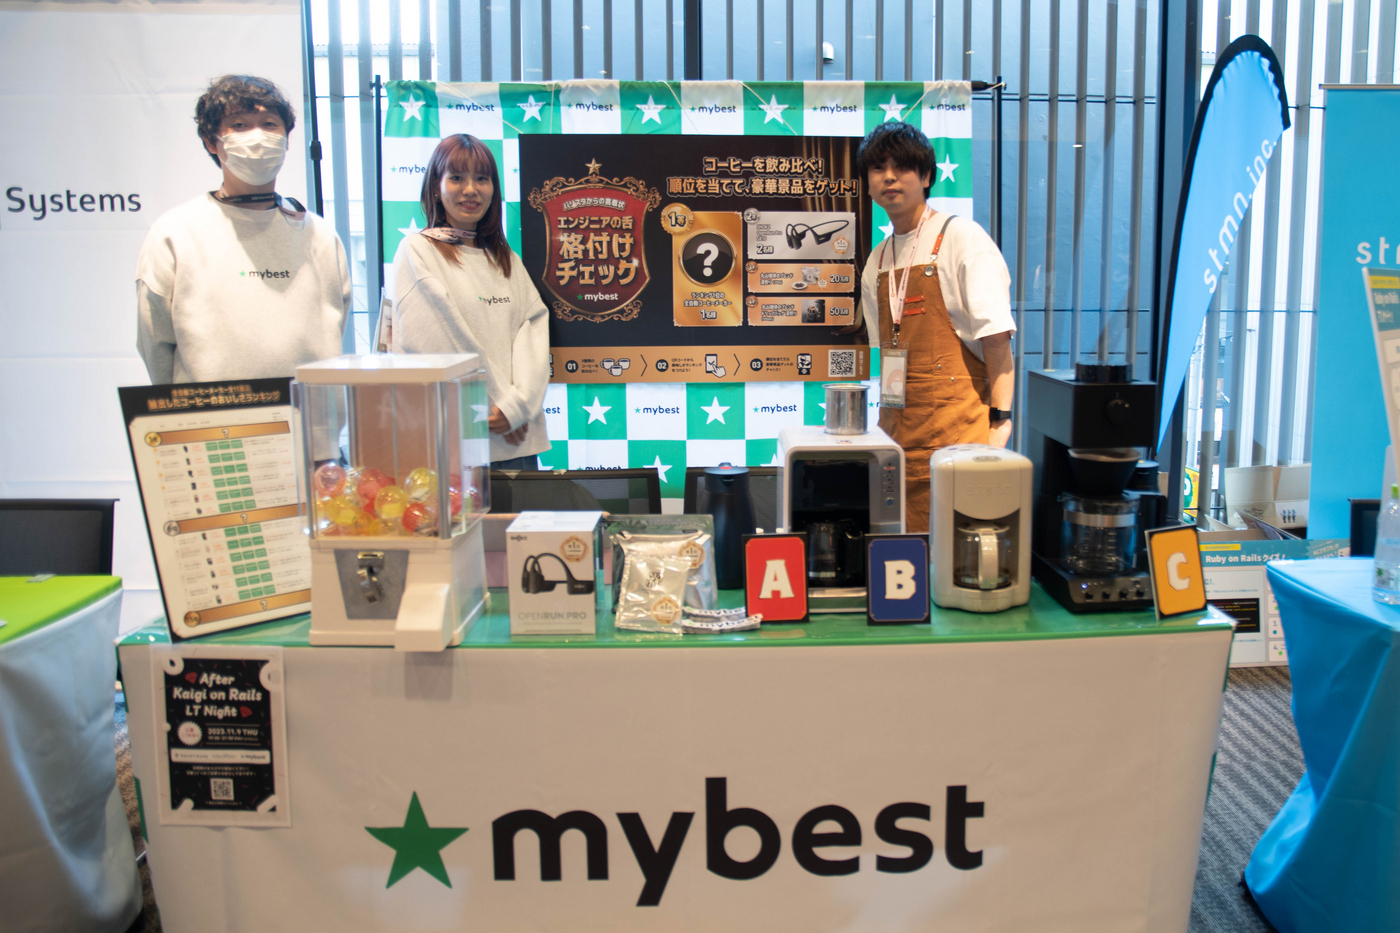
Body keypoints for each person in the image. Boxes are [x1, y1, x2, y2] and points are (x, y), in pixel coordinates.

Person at [136, 75, 350, 384]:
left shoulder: (320, 235)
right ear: (211, 141)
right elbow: (155, 341)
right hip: (214, 411)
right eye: (239, 125)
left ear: (287, 139)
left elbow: (333, 326)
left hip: (309, 410)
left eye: (269, 124)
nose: (257, 136)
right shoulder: (176, 232)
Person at [856, 121, 1016, 534]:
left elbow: (997, 338)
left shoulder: (961, 237)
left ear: (926, 176)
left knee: (956, 547)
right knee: (900, 550)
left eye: (902, 167)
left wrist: (1000, 422)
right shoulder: (877, 259)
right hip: (897, 435)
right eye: (878, 168)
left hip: (960, 434)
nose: (889, 177)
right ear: (868, 184)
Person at [394, 134, 550, 469]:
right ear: (436, 187)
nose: (470, 189)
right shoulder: (418, 250)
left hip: (518, 440)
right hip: (459, 443)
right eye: (456, 177)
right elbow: (439, 339)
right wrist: (501, 404)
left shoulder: (505, 258)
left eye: (482, 178)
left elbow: (533, 330)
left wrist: (519, 406)